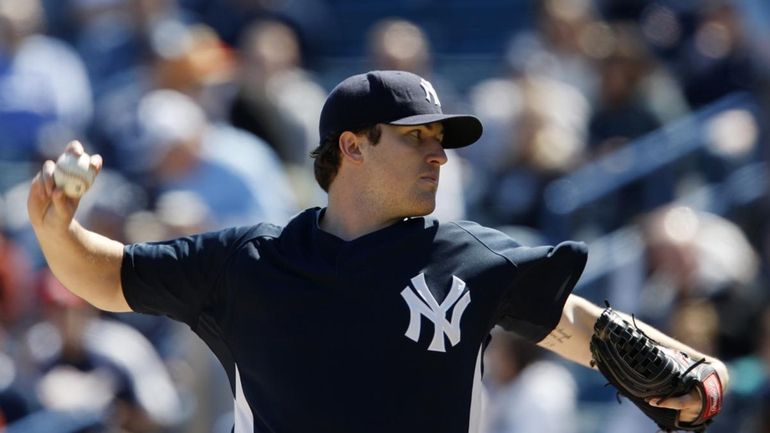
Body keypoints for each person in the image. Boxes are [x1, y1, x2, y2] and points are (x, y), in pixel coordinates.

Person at [27, 70, 729, 433]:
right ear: (352, 148)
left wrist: (696, 380)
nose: (438, 155)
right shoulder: (247, 264)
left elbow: (592, 333)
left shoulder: (472, 259)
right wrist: (57, 228)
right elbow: (106, 277)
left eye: (441, 141)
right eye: (416, 137)